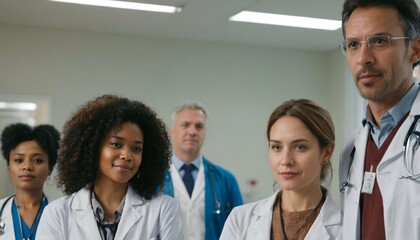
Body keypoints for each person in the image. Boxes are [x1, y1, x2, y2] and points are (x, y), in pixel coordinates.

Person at [37, 94, 182, 240]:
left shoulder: (164, 209)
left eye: (136, 149)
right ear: (92, 148)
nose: (127, 155)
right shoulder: (57, 213)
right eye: (116, 144)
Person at [339, 0, 420, 239]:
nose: (363, 58)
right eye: (353, 44)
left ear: (415, 50)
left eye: (379, 41)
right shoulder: (351, 149)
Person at [220, 99, 342, 239]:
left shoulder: (348, 226)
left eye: (300, 147)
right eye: (277, 147)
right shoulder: (240, 220)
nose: (286, 160)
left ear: (326, 152)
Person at [162, 102, 243, 240]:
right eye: (185, 125)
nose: (192, 131)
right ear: (172, 131)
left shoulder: (225, 179)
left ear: (204, 132)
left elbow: (241, 227)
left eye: (199, 126)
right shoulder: (154, 177)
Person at [0, 123, 60, 240]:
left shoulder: (62, 213)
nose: (27, 166)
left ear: (50, 168)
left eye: (37, 160)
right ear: (9, 168)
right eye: (18, 160)